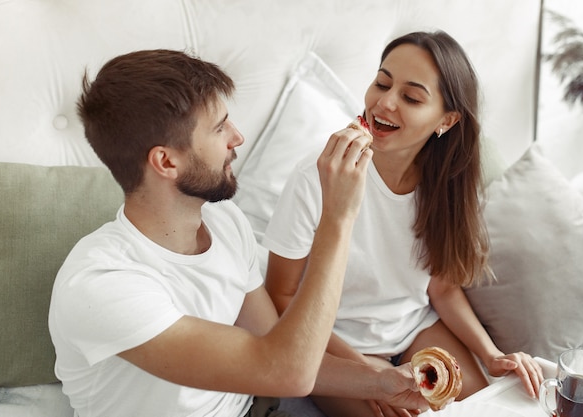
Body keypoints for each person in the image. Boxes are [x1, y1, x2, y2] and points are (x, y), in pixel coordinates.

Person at [47, 49, 430, 417]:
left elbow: (276, 344)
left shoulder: (225, 222)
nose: (237, 137)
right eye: (219, 128)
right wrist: (338, 217)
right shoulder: (103, 284)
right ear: (166, 161)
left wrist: (380, 382)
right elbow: (287, 371)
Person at [263, 31, 545, 417]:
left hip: (415, 328)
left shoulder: (445, 186)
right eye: (382, 82)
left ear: (446, 120)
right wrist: (365, 374)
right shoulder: (316, 177)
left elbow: (441, 290)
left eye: (411, 98)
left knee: (488, 410)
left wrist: (492, 356)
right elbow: (280, 296)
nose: (384, 101)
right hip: (336, 342)